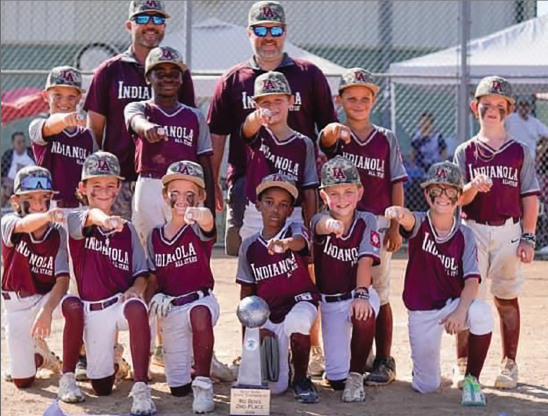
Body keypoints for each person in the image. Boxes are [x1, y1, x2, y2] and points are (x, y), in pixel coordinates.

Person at [207, 0, 336, 256]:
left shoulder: (308, 74)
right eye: (260, 30)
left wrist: (331, 181)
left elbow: (327, 131)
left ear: (285, 32)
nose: (268, 37)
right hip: (248, 181)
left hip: (300, 180)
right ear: (249, 33)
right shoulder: (233, 79)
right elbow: (216, 136)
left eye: (275, 30)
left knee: (301, 252)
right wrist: (211, 185)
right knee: (247, 252)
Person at [319, 68, 407, 386]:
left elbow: (396, 182)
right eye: (351, 98)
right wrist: (332, 132)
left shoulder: (385, 137)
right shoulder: (337, 137)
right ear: (339, 100)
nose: (358, 104)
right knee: (344, 289)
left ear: (374, 101)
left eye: (364, 98)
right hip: (342, 225)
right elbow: (325, 141)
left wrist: (395, 226)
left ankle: (384, 359)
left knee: (379, 292)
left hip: (378, 223)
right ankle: (352, 356)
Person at [454, 76, 540, 390]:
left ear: (509, 110)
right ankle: (462, 362)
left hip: (509, 231)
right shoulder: (465, 151)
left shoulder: (520, 151)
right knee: (468, 297)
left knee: (506, 298)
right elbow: (457, 199)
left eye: (499, 106)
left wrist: (528, 237)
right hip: (473, 230)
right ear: (474, 107)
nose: (492, 110)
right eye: (486, 105)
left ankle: (509, 363)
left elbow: (529, 197)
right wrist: (471, 188)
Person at [385, 161, 494, 406]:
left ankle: (472, 380)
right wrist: (400, 214)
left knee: (482, 313)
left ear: (459, 196)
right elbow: (409, 220)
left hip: (451, 304)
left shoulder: (465, 234)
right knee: (426, 387)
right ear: (426, 194)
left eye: (450, 190)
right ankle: (425, 371)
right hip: (422, 310)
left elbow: (472, 280)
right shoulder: (420, 222)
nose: (443, 196)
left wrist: (461, 310)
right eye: (436, 189)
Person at [60, 151, 155, 415]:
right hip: (92, 310)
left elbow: (142, 273)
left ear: (118, 188)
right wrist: (106, 220)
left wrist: (136, 289)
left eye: (110, 185)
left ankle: (141, 388)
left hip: (118, 305)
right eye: (96, 185)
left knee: (137, 307)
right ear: (82, 188)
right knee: (101, 387)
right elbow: (92, 216)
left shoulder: (127, 229)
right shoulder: (76, 218)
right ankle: (79, 374)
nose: (104, 191)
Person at [84, 0, 195, 220]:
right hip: (118, 182)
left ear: (164, 26)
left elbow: (191, 126)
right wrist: (97, 177)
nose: (151, 25)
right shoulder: (109, 71)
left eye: (158, 19)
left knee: (164, 242)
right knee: (117, 240)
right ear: (129, 25)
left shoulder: (178, 74)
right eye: (143, 18)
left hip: (165, 182)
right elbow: (94, 130)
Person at [236, 173, 320, 403]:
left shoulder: (295, 230)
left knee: (298, 321)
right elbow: (246, 297)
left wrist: (285, 244)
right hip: (271, 314)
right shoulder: (249, 246)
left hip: (300, 302)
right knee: (275, 388)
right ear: (258, 205)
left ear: (290, 210)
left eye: (283, 205)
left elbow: (301, 242)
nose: (276, 209)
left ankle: (302, 378)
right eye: (269, 202)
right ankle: (287, 370)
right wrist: (252, 334)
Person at [145, 160, 218, 413]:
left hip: (201, 300)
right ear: (165, 195)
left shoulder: (198, 227)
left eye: (190, 194)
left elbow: (208, 221)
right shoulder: (155, 235)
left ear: (201, 196)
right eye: (175, 193)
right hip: (171, 308)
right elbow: (153, 278)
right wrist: (147, 302)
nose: (182, 200)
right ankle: (198, 363)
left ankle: (204, 383)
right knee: (178, 388)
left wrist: (198, 213)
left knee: (199, 314)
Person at [125, 46, 214, 248]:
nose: (168, 78)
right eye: (160, 73)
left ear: (182, 79)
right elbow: (135, 121)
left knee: (185, 250)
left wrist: (209, 209)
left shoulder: (194, 116)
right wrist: (147, 127)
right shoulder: (140, 108)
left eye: (174, 73)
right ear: (148, 78)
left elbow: (204, 162)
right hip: (150, 183)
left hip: (187, 186)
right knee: (147, 247)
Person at [311, 156, 380, 402]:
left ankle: (357, 374)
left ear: (360, 192)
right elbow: (320, 225)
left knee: (364, 312)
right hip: (330, 302)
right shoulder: (319, 219)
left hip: (356, 292)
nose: (342, 199)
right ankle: (347, 369)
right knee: (335, 380)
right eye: (334, 193)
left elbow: (365, 260)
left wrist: (361, 294)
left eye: (348, 192)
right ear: (323, 196)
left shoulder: (367, 219)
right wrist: (331, 224)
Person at [1, 167, 68, 389]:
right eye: (29, 198)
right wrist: (47, 216)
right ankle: (39, 356)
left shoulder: (57, 232)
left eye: (44, 198)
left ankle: (75, 366)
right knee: (22, 381)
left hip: (45, 299)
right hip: (16, 306)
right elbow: (25, 224)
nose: (38, 204)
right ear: (15, 202)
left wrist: (47, 310)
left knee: (75, 306)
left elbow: (62, 279)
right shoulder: (9, 221)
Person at [240, 71, 318, 241]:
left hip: (292, 214)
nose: (272, 107)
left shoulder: (304, 143)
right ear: (255, 105)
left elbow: (309, 189)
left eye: (278, 100)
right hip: (257, 213)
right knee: (254, 255)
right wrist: (256, 117)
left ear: (291, 101)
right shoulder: (257, 134)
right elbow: (248, 127)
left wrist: (311, 229)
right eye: (265, 102)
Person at [29, 66, 95, 210]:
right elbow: (50, 126)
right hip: (50, 207)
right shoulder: (39, 126)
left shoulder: (87, 136)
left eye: (71, 97)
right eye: (57, 95)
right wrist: (65, 120)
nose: (64, 102)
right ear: (45, 96)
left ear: (79, 99)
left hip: (80, 207)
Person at [1, 132, 35, 206]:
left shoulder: (31, 153)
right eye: (19, 142)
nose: (22, 144)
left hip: (29, 183)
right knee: (3, 191)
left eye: (23, 141)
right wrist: (8, 182)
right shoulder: (8, 155)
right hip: (10, 184)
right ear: (13, 144)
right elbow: (2, 174)